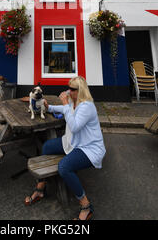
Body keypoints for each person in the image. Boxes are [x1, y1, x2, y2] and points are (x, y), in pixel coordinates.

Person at [24, 76, 106, 220]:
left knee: (64, 167)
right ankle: (41, 188)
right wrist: (49, 107)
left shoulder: (87, 106)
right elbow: (63, 109)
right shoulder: (73, 102)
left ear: (80, 91)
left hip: (88, 148)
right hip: (72, 142)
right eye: (69, 88)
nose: (68, 91)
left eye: (72, 89)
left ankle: (85, 206)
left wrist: (65, 105)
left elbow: (74, 126)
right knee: (47, 147)